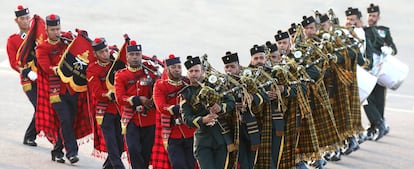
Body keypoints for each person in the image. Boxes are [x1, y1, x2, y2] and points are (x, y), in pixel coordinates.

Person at [36, 13, 87, 164]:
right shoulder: (42, 48)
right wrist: (62, 69)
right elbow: (47, 68)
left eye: (58, 29)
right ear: (46, 30)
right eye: (52, 29)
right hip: (56, 91)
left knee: (69, 122)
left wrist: (81, 38)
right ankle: (72, 153)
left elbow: (79, 49)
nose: (56, 32)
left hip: (72, 88)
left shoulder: (66, 40)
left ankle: (57, 151)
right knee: (65, 119)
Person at [180, 56, 236, 169]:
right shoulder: (185, 94)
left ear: (203, 72)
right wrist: (203, 120)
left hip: (222, 138)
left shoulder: (215, 85)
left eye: (197, 70)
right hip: (203, 140)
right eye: (191, 71)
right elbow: (187, 119)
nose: (194, 74)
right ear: (187, 73)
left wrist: (220, 108)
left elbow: (231, 102)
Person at [114, 40, 157, 169]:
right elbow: (120, 98)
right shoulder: (121, 75)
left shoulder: (150, 71)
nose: (135, 57)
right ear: (127, 57)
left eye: (137, 54)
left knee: (146, 151)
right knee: (133, 149)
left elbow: (159, 89)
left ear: (141, 55)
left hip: (149, 119)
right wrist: (139, 99)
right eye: (132, 54)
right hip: (131, 118)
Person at [222, 51, 267, 169]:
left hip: (252, 127)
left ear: (238, 67)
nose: (229, 70)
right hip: (234, 130)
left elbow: (263, 96)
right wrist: (231, 106)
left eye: (232, 66)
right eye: (227, 67)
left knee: (254, 161)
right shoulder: (221, 85)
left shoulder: (247, 80)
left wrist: (251, 98)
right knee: (242, 163)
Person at [87, 38, 125, 169]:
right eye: (102, 52)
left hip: (118, 110)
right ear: (95, 54)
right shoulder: (92, 69)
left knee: (120, 144)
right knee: (111, 143)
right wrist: (108, 94)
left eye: (106, 50)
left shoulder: (114, 64)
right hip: (104, 111)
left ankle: (108, 166)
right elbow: (97, 92)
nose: (105, 54)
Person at [153, 54, 196, 169]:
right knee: (178, 164)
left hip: (190, 131)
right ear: (167, 69)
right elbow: (161, 106)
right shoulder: (160, 85)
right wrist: (180, 108)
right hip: (172, 133)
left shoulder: (188, 83)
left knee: (191, 165)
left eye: (179, 67)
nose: (177, 70)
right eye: (174, 67)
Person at [363, 3, 396, 141]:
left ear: (378, 17)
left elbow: (394, 48)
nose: (371, 18)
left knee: (379, 100)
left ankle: (375, 126)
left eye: (374, 15)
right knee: (367, 98)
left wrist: (388, 50)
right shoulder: (363, 30)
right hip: (369, 70)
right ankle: (378, 123)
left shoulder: (384, 31)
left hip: (381, 70)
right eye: (370, 15)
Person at [6, 5, 37, 147]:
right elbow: (13, 62)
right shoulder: (13, 40)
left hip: (42, 77)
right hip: (28, 80)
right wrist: (26, 72)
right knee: (39, 106)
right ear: (16, 21)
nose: (25, 21)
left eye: (27, 18)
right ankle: (30, 135)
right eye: (22, 19)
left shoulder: (38, 35)